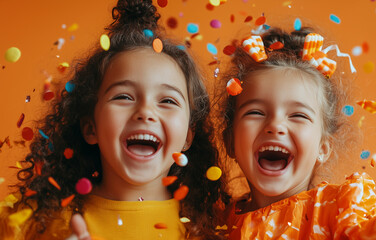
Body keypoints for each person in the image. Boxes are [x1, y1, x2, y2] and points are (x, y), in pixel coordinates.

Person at [0, 0, 224, 239]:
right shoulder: (31, 222)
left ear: (188, 137)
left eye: (168, 101)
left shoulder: (209, 229)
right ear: (90, 128)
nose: (145, 112)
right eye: (124, 96)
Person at [217, 26, 376, 239]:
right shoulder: (215, 223)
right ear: (230, 140)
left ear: (323, 148)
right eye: (255, 112)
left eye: (298, 115)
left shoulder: (339, 209)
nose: (275, 125)